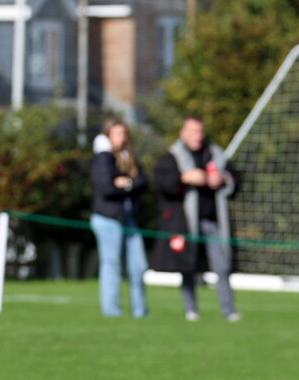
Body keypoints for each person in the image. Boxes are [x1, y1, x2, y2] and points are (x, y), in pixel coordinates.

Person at [153, 116, 241, 322]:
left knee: (222, 266)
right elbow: (161, 182)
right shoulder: (173, 157)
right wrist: (184, 178)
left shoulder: (215, 154)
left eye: (200, 132)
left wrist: (223, 179)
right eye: (192, 132)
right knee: (187, 266)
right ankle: (191, 310)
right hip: (184, 223)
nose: (197, 136)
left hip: (213, 221)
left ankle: (229, 311)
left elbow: (235, 178)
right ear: (183, 133)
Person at [89, 119, 150, 318]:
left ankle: (140, 312)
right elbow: (106, 188)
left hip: (128, 218)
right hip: (107, 218)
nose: (121, 138)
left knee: (138, 266)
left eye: (124, 134)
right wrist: (124, 185)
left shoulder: (129, 157)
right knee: (111, 264)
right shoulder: (103, 158)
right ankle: (112, 311)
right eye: (116, 134)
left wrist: (127, 183)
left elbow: (143, 182)